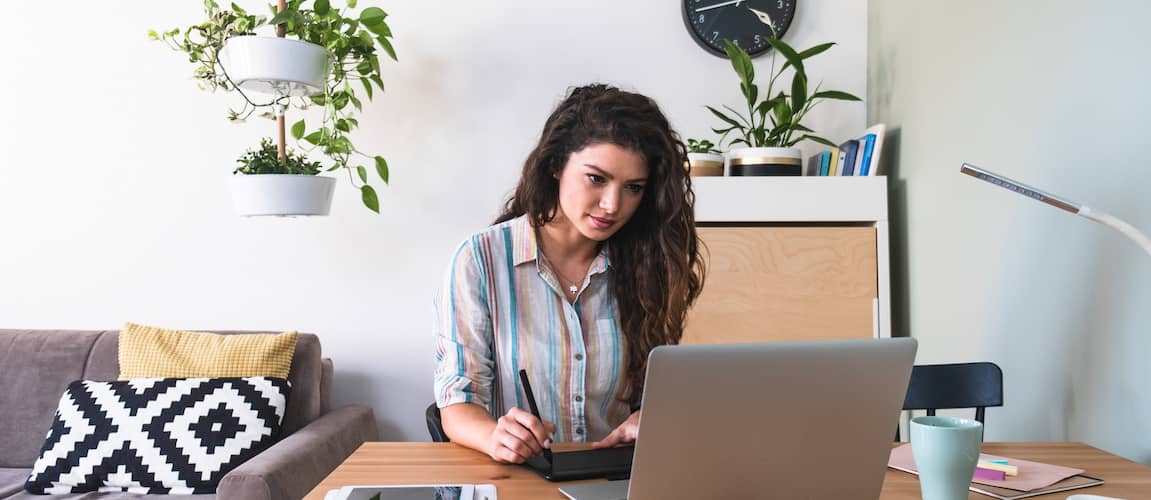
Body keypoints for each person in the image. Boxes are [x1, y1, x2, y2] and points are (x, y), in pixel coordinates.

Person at [432, 83, 705, 464]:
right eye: (596, 178)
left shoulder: (647, 264)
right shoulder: (479, 260)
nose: (612, 205)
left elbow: (656, 391)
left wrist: (649, 418)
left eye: (633, 188)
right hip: (515, 479)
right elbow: (457, 404)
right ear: (557, 165)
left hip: (612, 479)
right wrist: (496, 436)